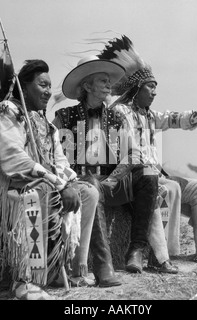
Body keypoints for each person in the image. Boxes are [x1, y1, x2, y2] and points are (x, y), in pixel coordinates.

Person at [98, 35, 197, 267]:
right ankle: (161, 256)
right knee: (171, 187)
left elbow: (181, 118)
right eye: (150, 87)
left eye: (156, 88)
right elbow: (129, 153)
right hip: (133, 177)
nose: (155, 92)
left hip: (157, 177)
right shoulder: (120, 112)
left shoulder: (150, 116)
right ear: (136, 89)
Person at [0, 59, 104, 300]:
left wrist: (69, 182)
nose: (48, 91)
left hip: (47, 185)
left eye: (50, 86)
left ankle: (73, 268)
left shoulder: (46, 124)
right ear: (24, 86)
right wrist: (58, 183)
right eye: (42, 85)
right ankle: (26, 279)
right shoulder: (8, 111)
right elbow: (13, 160)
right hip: (10, 188)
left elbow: (60, 161)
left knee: (88, 192)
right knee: (39, 191)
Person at [53, 56, 178, 274]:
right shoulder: (64, 117)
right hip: (81, 184)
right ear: (86, 85)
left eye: (109, 80)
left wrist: (113, 179)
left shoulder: (115, 117)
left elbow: (135, 153)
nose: (109, 84)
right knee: (91, 183)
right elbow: (49, 151)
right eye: (103, 80)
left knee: (148, 173)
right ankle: (102, 266)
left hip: (112, 184)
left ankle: (136, 250)